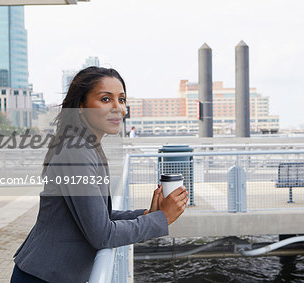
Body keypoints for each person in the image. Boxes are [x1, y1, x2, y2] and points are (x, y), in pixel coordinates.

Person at [10, 67, 189, 283]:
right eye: (106, 99)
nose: (118, 108)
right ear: (81, 106)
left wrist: (146, 215)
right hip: (43, 276)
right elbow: (102, 234)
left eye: (121, 100)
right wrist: (162, 218)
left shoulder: (87, 146)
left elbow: (98, 216)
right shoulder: (76, 151)